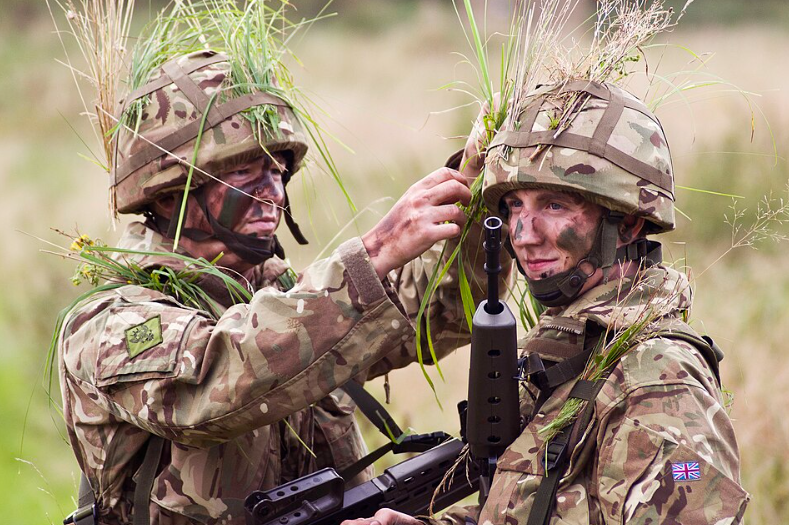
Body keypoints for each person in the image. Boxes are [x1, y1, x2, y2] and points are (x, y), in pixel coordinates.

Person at [58, 49, 506, 525]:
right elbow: (219, 381)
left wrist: (477, 196)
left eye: (278, 170)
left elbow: (434, 319)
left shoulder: (282, 294)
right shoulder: (108, 322)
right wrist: (375, 252)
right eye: (244, 172)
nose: (272, 191)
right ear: (171, 193)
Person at [340, 81, 750, 525]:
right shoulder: (577, 351)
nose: (523, 233)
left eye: (554, 205)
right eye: (515, 206)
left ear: (628, 223)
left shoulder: (656, 381)